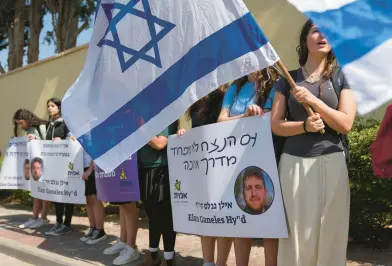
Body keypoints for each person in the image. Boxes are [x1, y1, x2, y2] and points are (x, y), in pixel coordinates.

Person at [271, 20, 356, 266]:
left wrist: (314, 102)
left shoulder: (342, 77)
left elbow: (345, 123)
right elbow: (276, 125)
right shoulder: (288, 79)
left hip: (332, 162)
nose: (323, 35)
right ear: (305, 39)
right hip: (293, 164)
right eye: (316, 30)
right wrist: (304, 126)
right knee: (297, 233)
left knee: (331, 231)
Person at [217, 66, 280, 266]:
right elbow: (220, 121)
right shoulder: (235, 87)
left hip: (267, 157)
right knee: (241, 220)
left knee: (269, 222)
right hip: (236, 160)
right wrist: (245, 117)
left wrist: (245, 118)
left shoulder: (273, 84)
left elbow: (270, 117)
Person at [178, 85, 232, 266]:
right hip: (200, 166)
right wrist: (185, 134)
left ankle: (220, 263)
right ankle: (208, 262)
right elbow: (197, 130)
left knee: (222, 215)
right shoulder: (195, 102)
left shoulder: (221, 96)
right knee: (205, 213)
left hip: (221, 164)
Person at [138, 122, 178, 266]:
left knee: (166, 217)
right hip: (144, 170)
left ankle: (169, 258)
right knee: (152, 215)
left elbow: (160, 143)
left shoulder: (166, 118)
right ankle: (153, 255)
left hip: (161, 171)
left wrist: (140, 128)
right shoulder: (147, 117)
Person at [13, 109, 50, 229]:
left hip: (45, 164)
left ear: (27, 120)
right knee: (36, 192)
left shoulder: (41, 127)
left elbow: (48, 143)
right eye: (18, 123)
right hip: (35, 164)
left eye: (21, 122)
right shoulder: (28, 129)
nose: (20, 125)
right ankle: (34, 217)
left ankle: (43, 218)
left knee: (44, 193)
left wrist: (35, 139)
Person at [44, 98, 76, 237]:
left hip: (66, 164)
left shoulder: (66, 123)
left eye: (52, 106)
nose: (49, 108)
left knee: (66, 194)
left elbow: (73, 140)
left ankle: (67, 224)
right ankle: (58, 222)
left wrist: (62, 141)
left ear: (59, 107)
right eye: (48, 106)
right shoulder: (49, 125)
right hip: (54, 165)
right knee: (56, 195)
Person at [80, 151, 107, 244]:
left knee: (95, 198)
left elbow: (96, 150)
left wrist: (90, 169)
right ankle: (93, 228)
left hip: (93, 167)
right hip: (82, 166)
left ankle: (100, 230)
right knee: (88, 200)